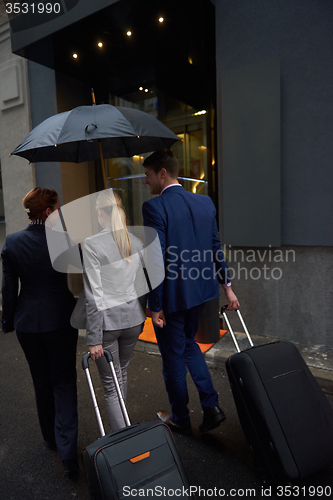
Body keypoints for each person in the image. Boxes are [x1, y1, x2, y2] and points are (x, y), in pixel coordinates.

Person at [142, 149, 240, 435]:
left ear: (162, 173)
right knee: (188, 345)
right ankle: (211, 407)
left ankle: (180, 418)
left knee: (173, 358)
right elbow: (214, 247)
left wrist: (155, 304)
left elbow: (156, 258)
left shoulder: (154, 207)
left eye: (148, 176)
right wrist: (228, 287)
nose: (146, 182)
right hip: (201, 293)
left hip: (172, 298)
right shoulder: (204, 202)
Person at [1, 187, 79, 476]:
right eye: (57, 208)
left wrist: (7, 321)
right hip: (60, 321)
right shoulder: (63, 241)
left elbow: (9, 289)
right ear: (48, 212)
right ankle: (69, 453)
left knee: (41, 380)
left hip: (27, 323)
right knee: (64, 381)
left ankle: (50, 437)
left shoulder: (12, 242)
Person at [79, 189, 146, 432]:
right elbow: (142, 286)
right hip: (132, 321)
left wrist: (93, 338)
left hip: (107, 326)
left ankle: (121, 440)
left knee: (111, 384)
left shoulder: (91, 244)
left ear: (100, 212)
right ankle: (124, 429)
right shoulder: (135, 241)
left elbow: (94, 294)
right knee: (121, 376)